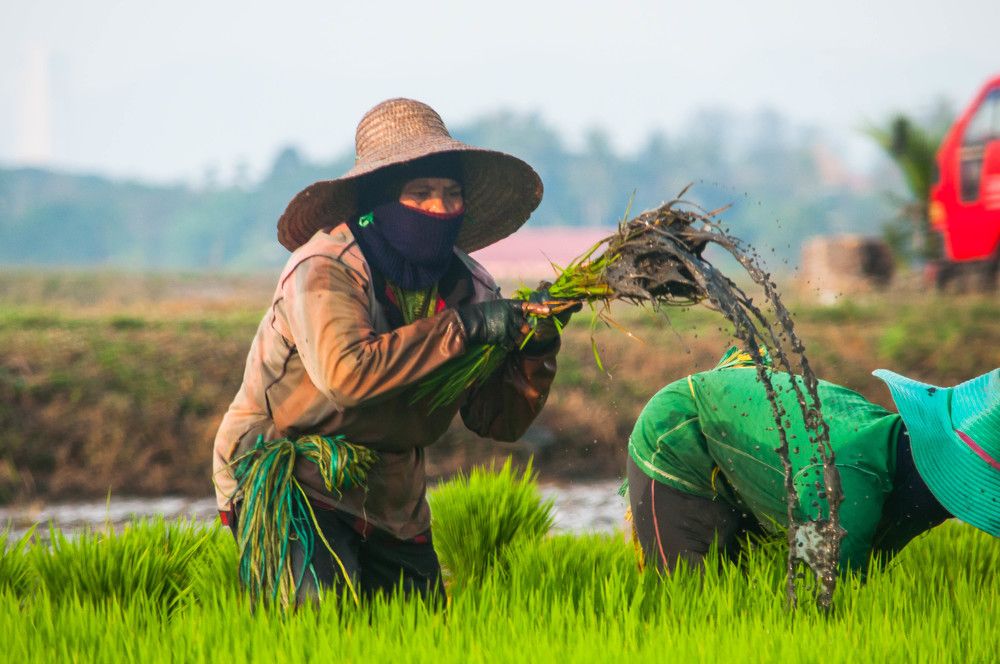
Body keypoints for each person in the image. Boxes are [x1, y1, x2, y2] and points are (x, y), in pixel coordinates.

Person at [212, 98, 574, 602]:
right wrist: (464, 329)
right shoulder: (326, 267)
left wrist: (535, 349)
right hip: (292, 472)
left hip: (391, 496)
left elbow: (498, 419)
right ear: (380, 200)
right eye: (420, 193)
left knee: (417, 629)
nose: (439, 209)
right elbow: (347, 376)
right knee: (319, 617)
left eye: (451, 194)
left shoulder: (469, 286)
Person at [626, 347, 999, 575]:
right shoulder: (846, 485)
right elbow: (815, 591)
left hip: (761, 455)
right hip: (682, 434)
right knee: (691, 595)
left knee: (752, 585)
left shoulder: (902, 459)